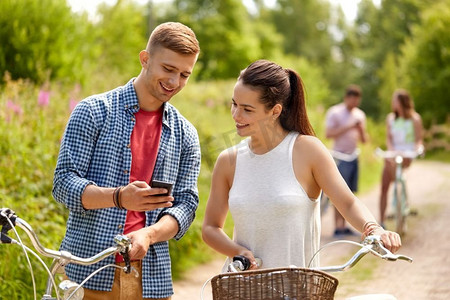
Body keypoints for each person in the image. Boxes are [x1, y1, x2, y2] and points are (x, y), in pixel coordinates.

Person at [201, 60, 401, 270]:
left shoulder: (307, 151)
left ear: (275, 111)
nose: (236, 115)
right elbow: (211, 227)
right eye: (234, 104)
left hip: (296, 288)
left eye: (247, 109)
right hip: (240, 287)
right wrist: (238, 252)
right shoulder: (228, 160)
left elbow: (347, 202)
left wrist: (373, 229)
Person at [52, 22, 201, 300]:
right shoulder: (93, 111)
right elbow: (63, 184)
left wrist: (150, 234)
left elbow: (187, 204)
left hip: (151, 279)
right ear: (145, 59)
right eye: (168, 69)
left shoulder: (186, 134)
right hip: (89, 270)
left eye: (184, 75)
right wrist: (119, 197)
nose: (174, 82)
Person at [325, 84, 368, 236]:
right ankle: (337, 226)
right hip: (339, 157)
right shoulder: (335, 112)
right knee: (339, 192)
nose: (355, 103)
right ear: (347, 98)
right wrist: (349, 126)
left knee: (350, 192)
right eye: (353, 100)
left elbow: (364, 140)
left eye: (357, 101)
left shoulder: (360, 115)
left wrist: (361, 130)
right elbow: (328, 134)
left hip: (353, 156)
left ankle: (344, 225)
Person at [379, 89, 423, 227]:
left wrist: (417, 149)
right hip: (394, 152)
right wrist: (392, 150)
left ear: (402, 102)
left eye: (395, 100)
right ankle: (382, 219)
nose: (392, 103)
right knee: (384, 183)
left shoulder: (414, 119)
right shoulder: (391, 118)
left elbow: (418, 139)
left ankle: (399, 197)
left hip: (408, 153)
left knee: (395, 170)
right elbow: (389, 139)